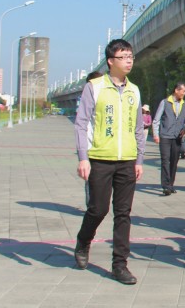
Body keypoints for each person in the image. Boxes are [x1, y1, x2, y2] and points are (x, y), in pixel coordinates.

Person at [74, 39, 145, 285]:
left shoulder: (134, 90)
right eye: (123, 56)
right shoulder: (94, 87)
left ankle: (120, 265)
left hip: (127, 160)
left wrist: (139, 159)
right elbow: (81, 123)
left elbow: (138, 128)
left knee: (123, 213)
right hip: (99, 159)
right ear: (110, 61)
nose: (129, 60)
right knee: (98, 209)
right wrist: (83, 157)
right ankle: (83, 241)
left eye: (131, 56)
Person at [153, 82, 185, 196]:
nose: (184, 93)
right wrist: (155, 134)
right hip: (165, 136)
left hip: (177, 137)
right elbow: (156, 120)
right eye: (183, 91)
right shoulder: (165, 102)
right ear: (176, 90)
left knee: (174, 161)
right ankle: (166, 186)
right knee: (165, 160)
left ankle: (171, 184)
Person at [81, 71, 103, 209]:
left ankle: (97, 205)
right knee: (90, 179)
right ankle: (91, 206)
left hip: (105, 148)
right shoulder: (87, 101)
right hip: (90, 148)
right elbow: (81, 126)